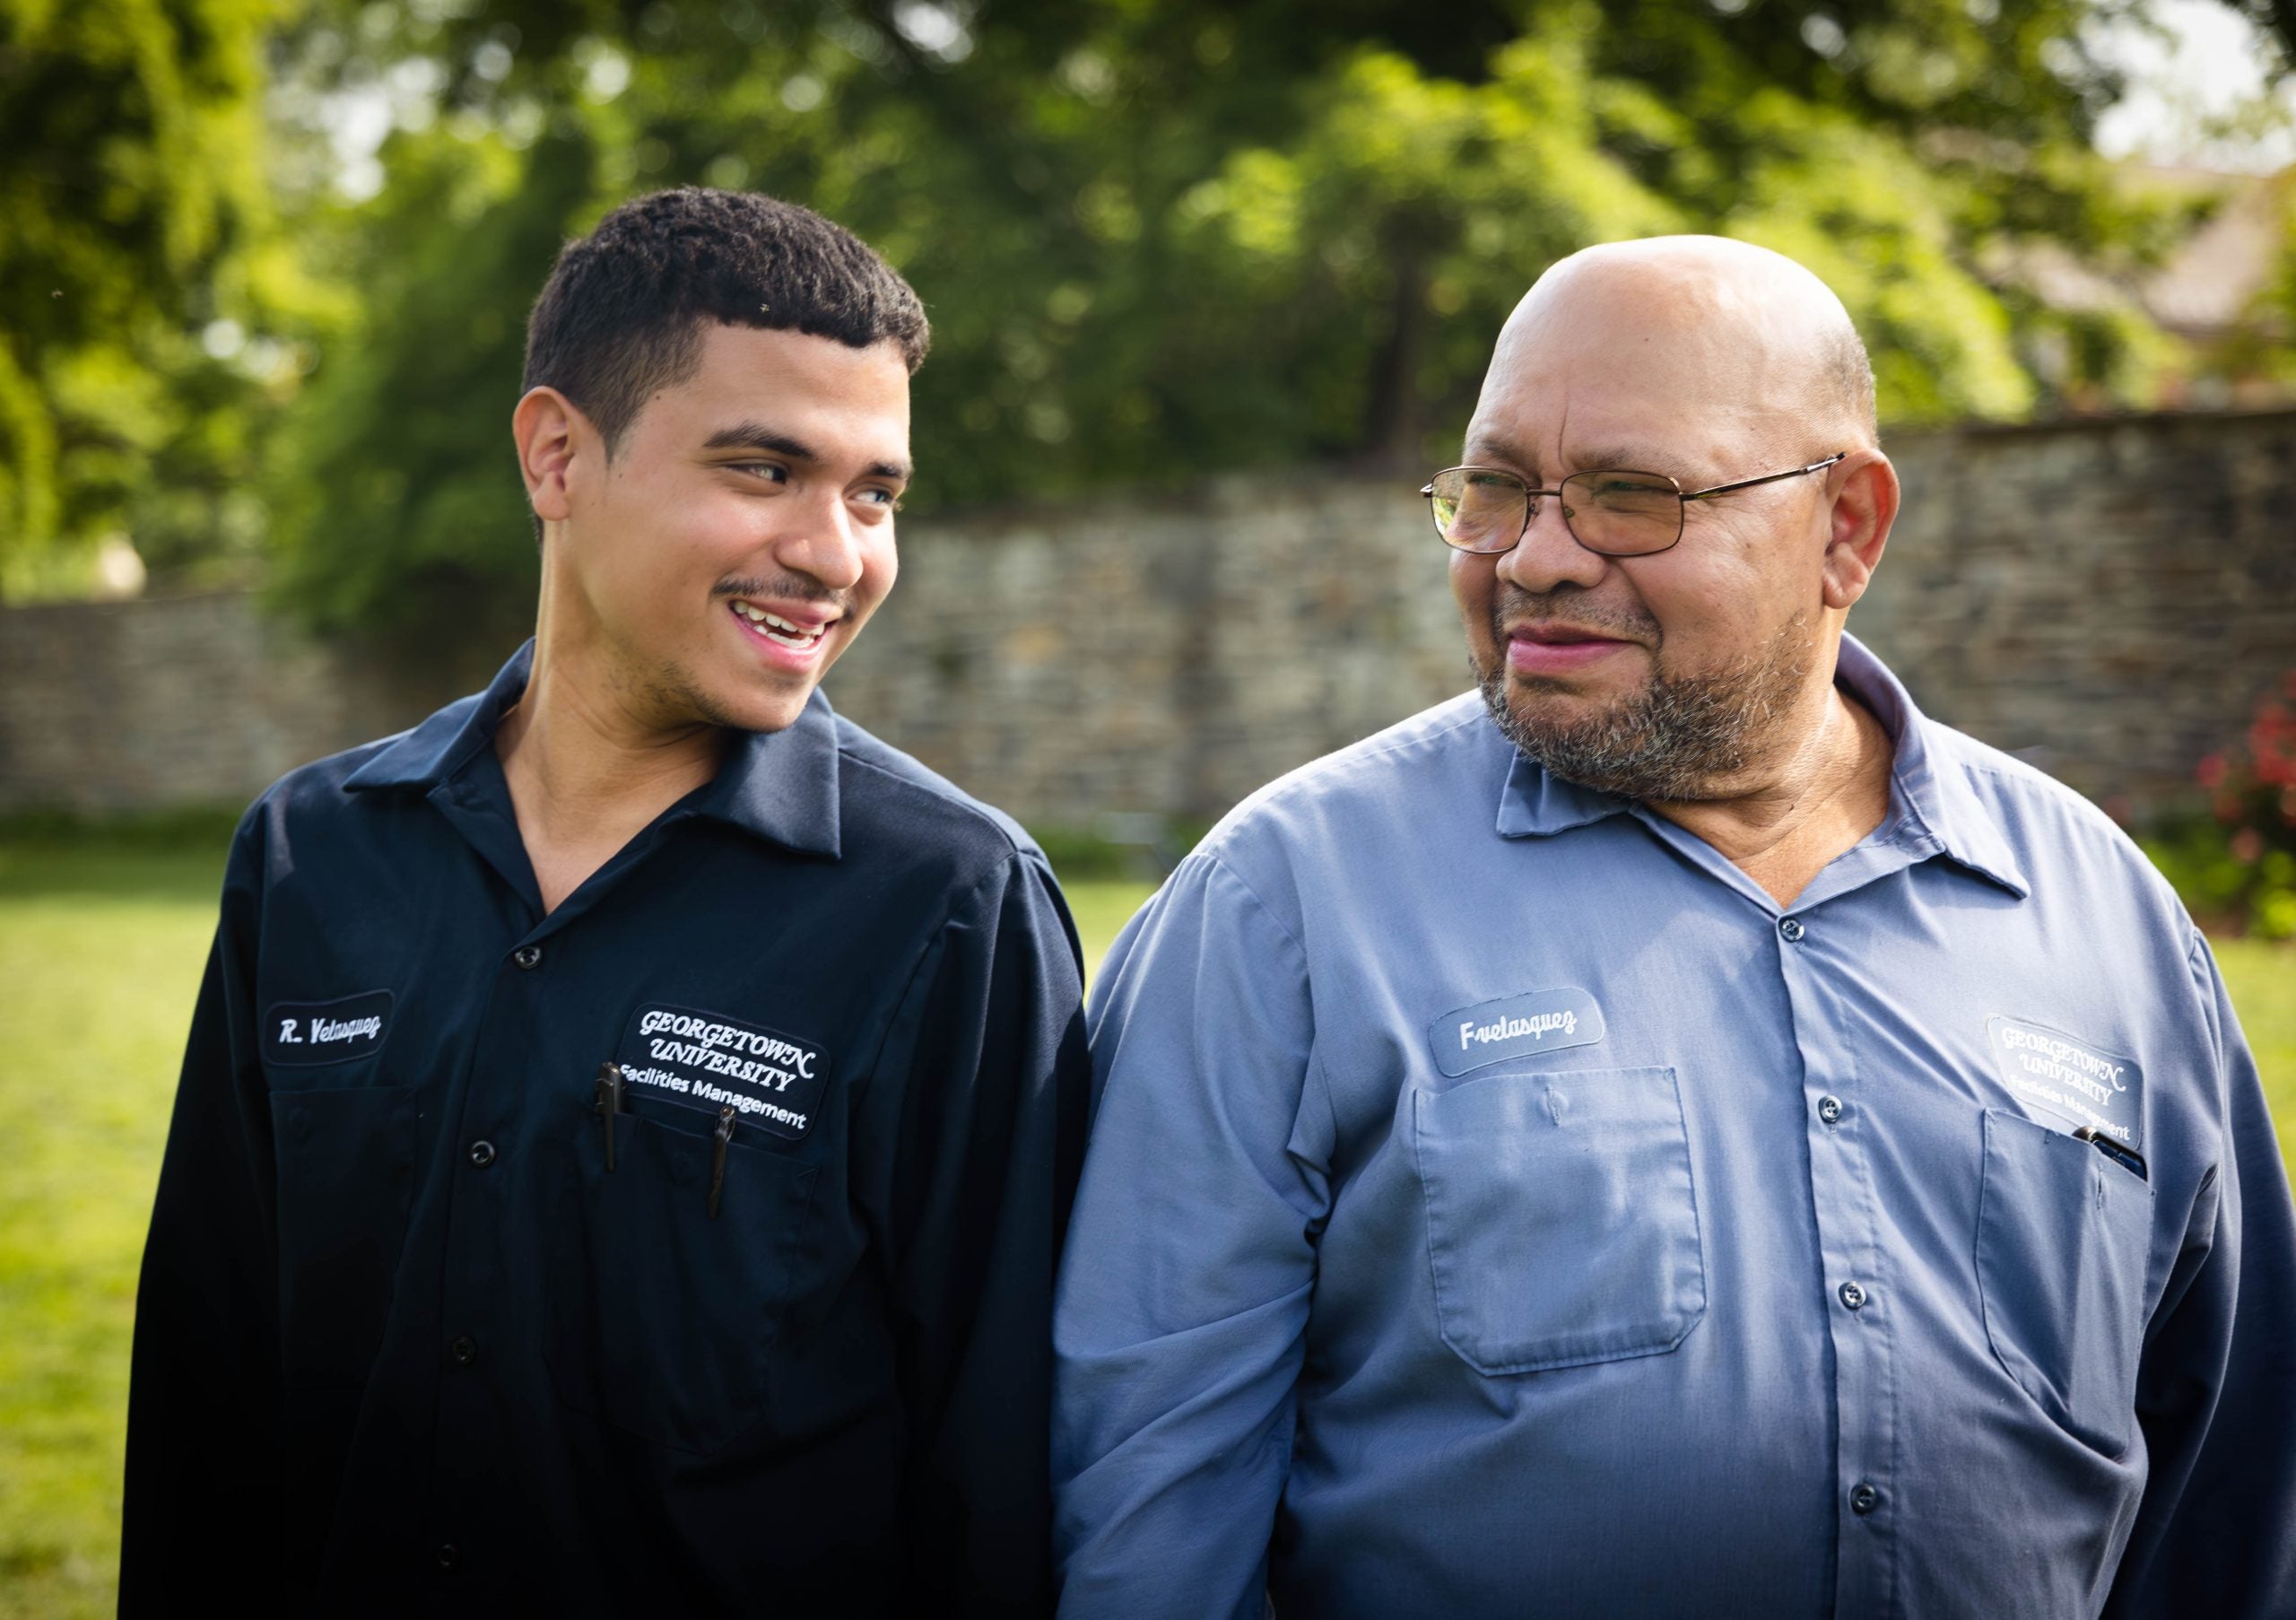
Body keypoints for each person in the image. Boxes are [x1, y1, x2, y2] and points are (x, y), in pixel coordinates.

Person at [1050, 235, 2296, 1618]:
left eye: (1632, 498)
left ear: (1848, 529)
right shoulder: (1279, 908)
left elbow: (2229, 1490)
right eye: (1498, 488)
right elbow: (1145, 1519)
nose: (1533, 557)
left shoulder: (2107, 921)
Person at [123, 187, 1089, 1616]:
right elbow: (209, 1398)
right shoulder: (310, 858)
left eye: (875, 491)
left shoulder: (954, 907)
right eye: (763, 469)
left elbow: (1002, 1481)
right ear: (558, 454)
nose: (837, 554)